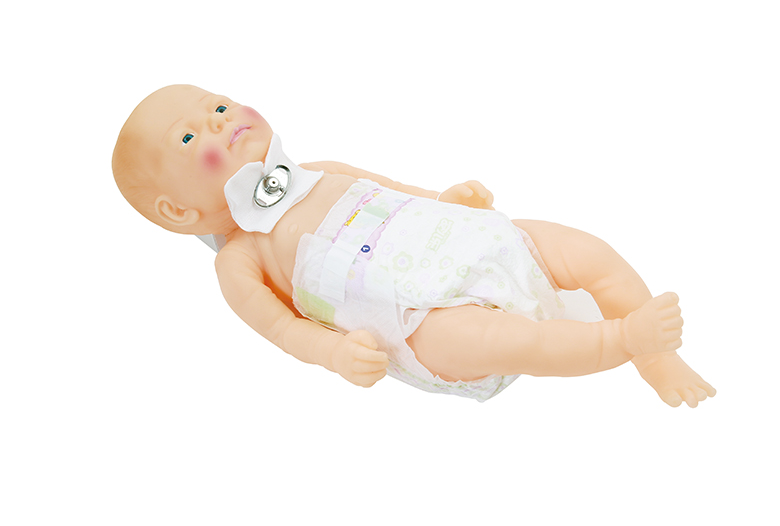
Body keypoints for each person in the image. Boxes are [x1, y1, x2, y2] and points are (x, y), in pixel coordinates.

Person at [112, 84, 715, 406]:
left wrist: (445, 197)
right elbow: (283, 330)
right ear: (177, 211)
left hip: (466, 239)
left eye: (217, 104)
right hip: (418, 319)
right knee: (509, 341)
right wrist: (335, 355)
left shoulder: (322, 170)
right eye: (190, 136)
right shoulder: (241, 261)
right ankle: (623, 340)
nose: (219, 120)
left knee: (583, 250)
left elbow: (393, 190)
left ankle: (657, 360)